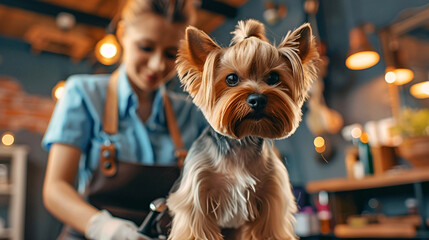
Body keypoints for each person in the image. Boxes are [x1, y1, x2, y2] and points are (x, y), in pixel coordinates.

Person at [42, 0, 207, 239]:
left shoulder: (192, 113)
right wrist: (105, 228)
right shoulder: (82, 94)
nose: (157, 64)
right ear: (122, 33)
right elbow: (56, 189)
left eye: (171, 53)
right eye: (146, 47)